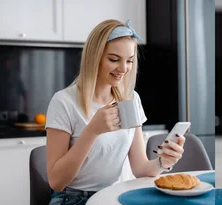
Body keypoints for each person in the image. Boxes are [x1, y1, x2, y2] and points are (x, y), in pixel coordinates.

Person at [45, 19, 186, 205]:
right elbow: (57, 182)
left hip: (111, 195)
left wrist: (164, 162)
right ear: (94, 57)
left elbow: (140, 168)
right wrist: (92, 130)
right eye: (114, 59)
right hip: (71, 198)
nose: (123, 69)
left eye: (129, 61)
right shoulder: (63, 101)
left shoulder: (129, 100)